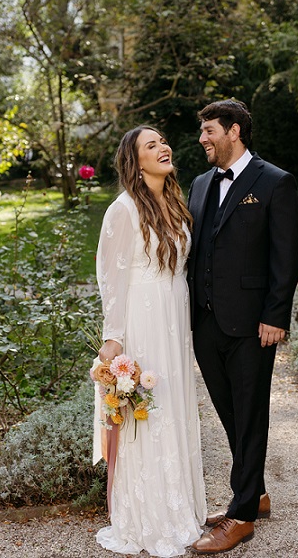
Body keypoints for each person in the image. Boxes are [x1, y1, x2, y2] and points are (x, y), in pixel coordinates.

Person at [187, 99, 298, 554]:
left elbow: (286, 254)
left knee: (251, 413)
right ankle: (252, 491)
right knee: (229, 411)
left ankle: (241, 517)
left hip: (255, 324)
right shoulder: (199, 184)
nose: (202, 139)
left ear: (234, 131)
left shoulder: (274, 182)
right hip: (206, 320)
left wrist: (276, 315)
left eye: (209, 130)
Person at [93, 125, 208, 557]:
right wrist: (114, 337)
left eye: (163, 140)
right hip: (143, 319)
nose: (163, 147)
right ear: (135, 161)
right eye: (151, 145)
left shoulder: (176, 202)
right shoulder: (122, 210)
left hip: (174, 316)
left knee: (175, 405)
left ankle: (182, 506)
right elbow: (111, 278)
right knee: (148, 413)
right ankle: (149, 515)